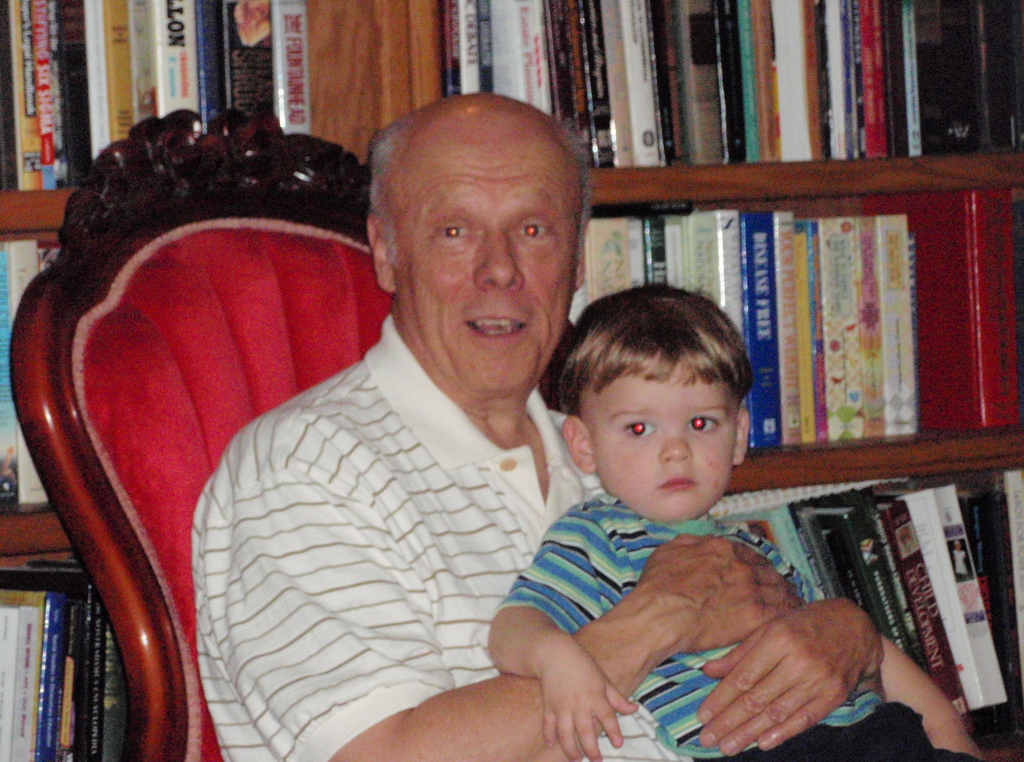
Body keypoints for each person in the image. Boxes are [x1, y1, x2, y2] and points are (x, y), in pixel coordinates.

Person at [192, 92, 886, 762]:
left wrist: (848, 637)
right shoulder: (306, 468)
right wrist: (660, 619)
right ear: (386, 250)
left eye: (533, 231)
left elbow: (787, 636)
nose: (499, 271)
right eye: (454, 231)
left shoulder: (623, 448)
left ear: (578, 259)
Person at [488, 285, 982, 762]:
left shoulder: (754, 547)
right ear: (583, 445)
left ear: (739, 434)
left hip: (872, 735)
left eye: (701, 423)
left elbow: (866, 651)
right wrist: (556, 658)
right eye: (639, 428)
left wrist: (948, 733)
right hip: (757, 748)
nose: (676, 450)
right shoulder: (594, 537)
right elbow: (515, 625)